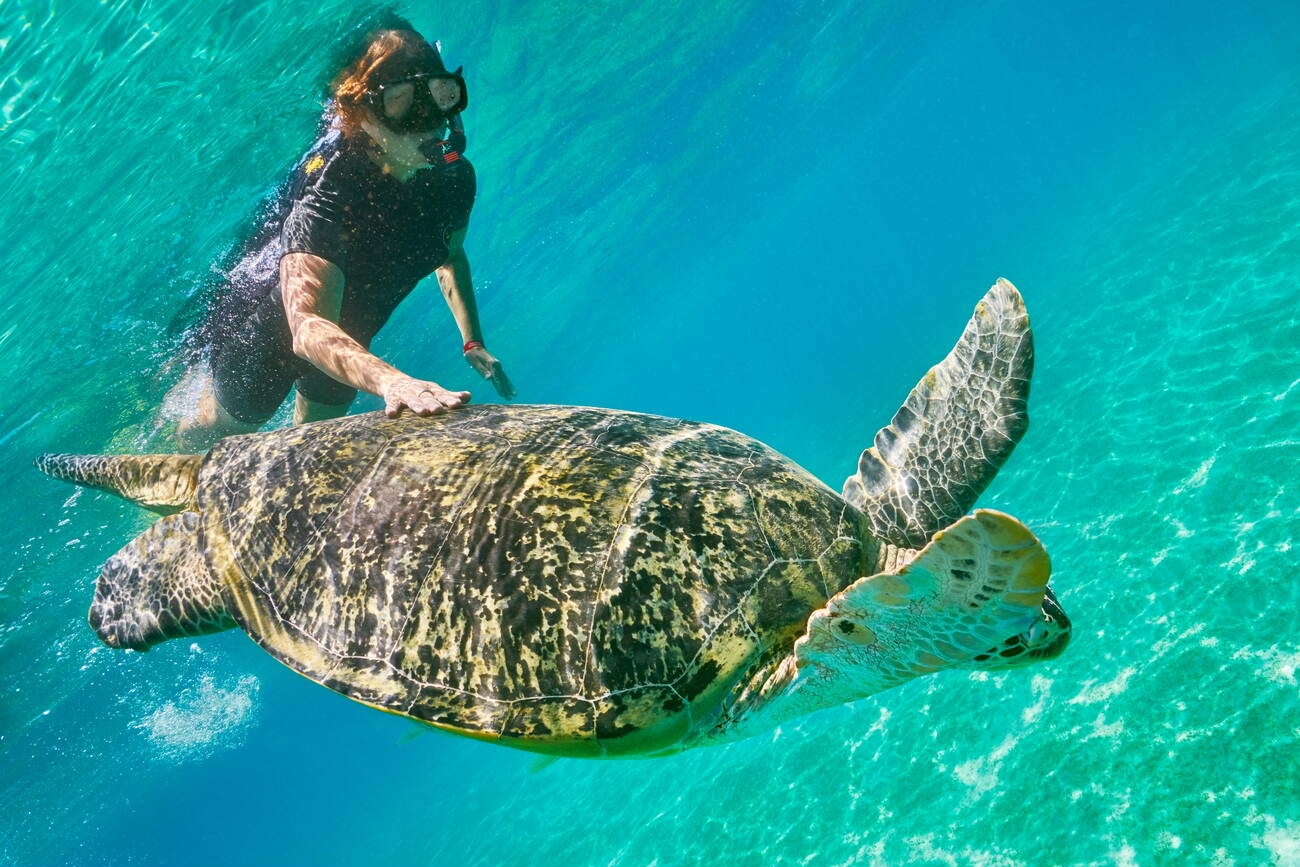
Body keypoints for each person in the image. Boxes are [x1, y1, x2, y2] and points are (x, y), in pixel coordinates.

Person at [170, 22, 513, 452]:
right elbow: (308, 326)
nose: (429, 122)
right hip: (277, 332)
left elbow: (450, 255)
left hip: (354, 342)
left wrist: (472, 340)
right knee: (207, 436)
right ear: (362, 113)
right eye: (403, 103)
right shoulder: (332, 185)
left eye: (439, 95)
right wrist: (393, 381)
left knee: (311, 454)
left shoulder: (454, 180)